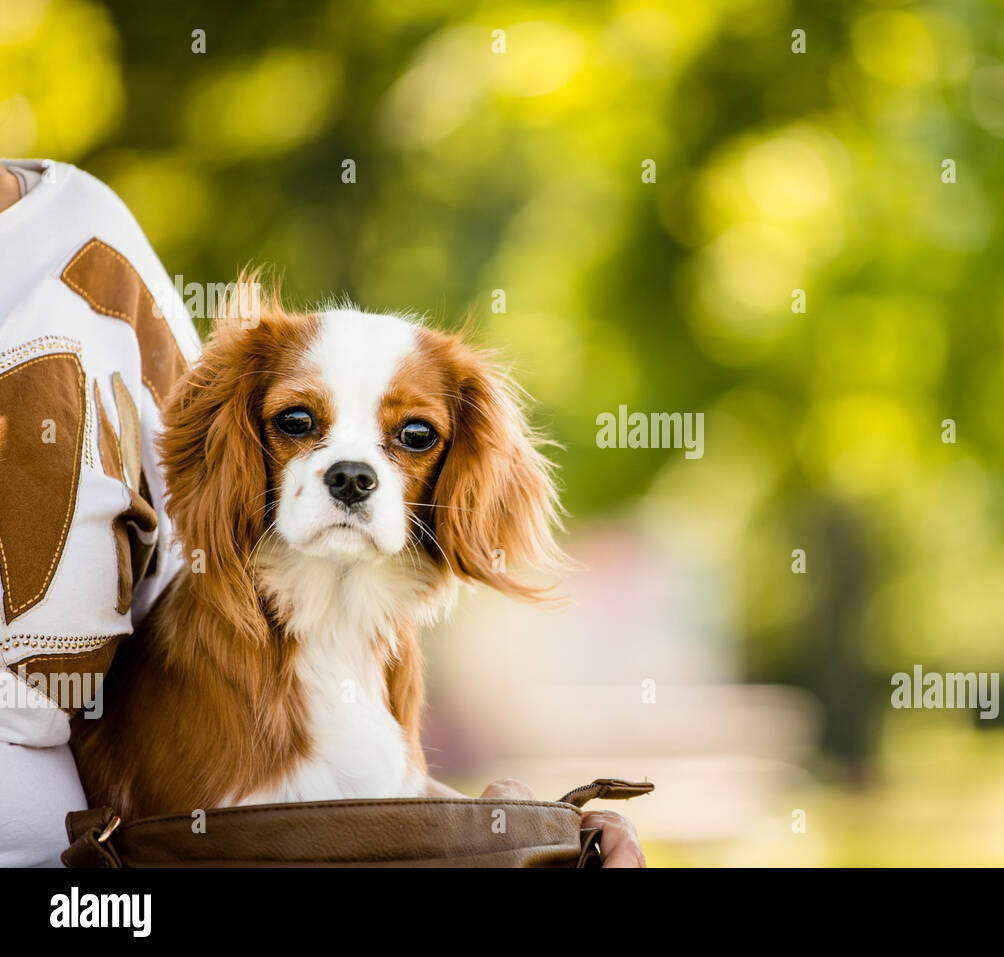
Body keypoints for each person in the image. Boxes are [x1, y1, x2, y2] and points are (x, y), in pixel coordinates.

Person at [0, 160, 644, 868]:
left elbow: (348, 824)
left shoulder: (84, 237)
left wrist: (523, 836)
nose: (351, 467)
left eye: (416, 437)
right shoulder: (188, 658)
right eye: (299, 421)